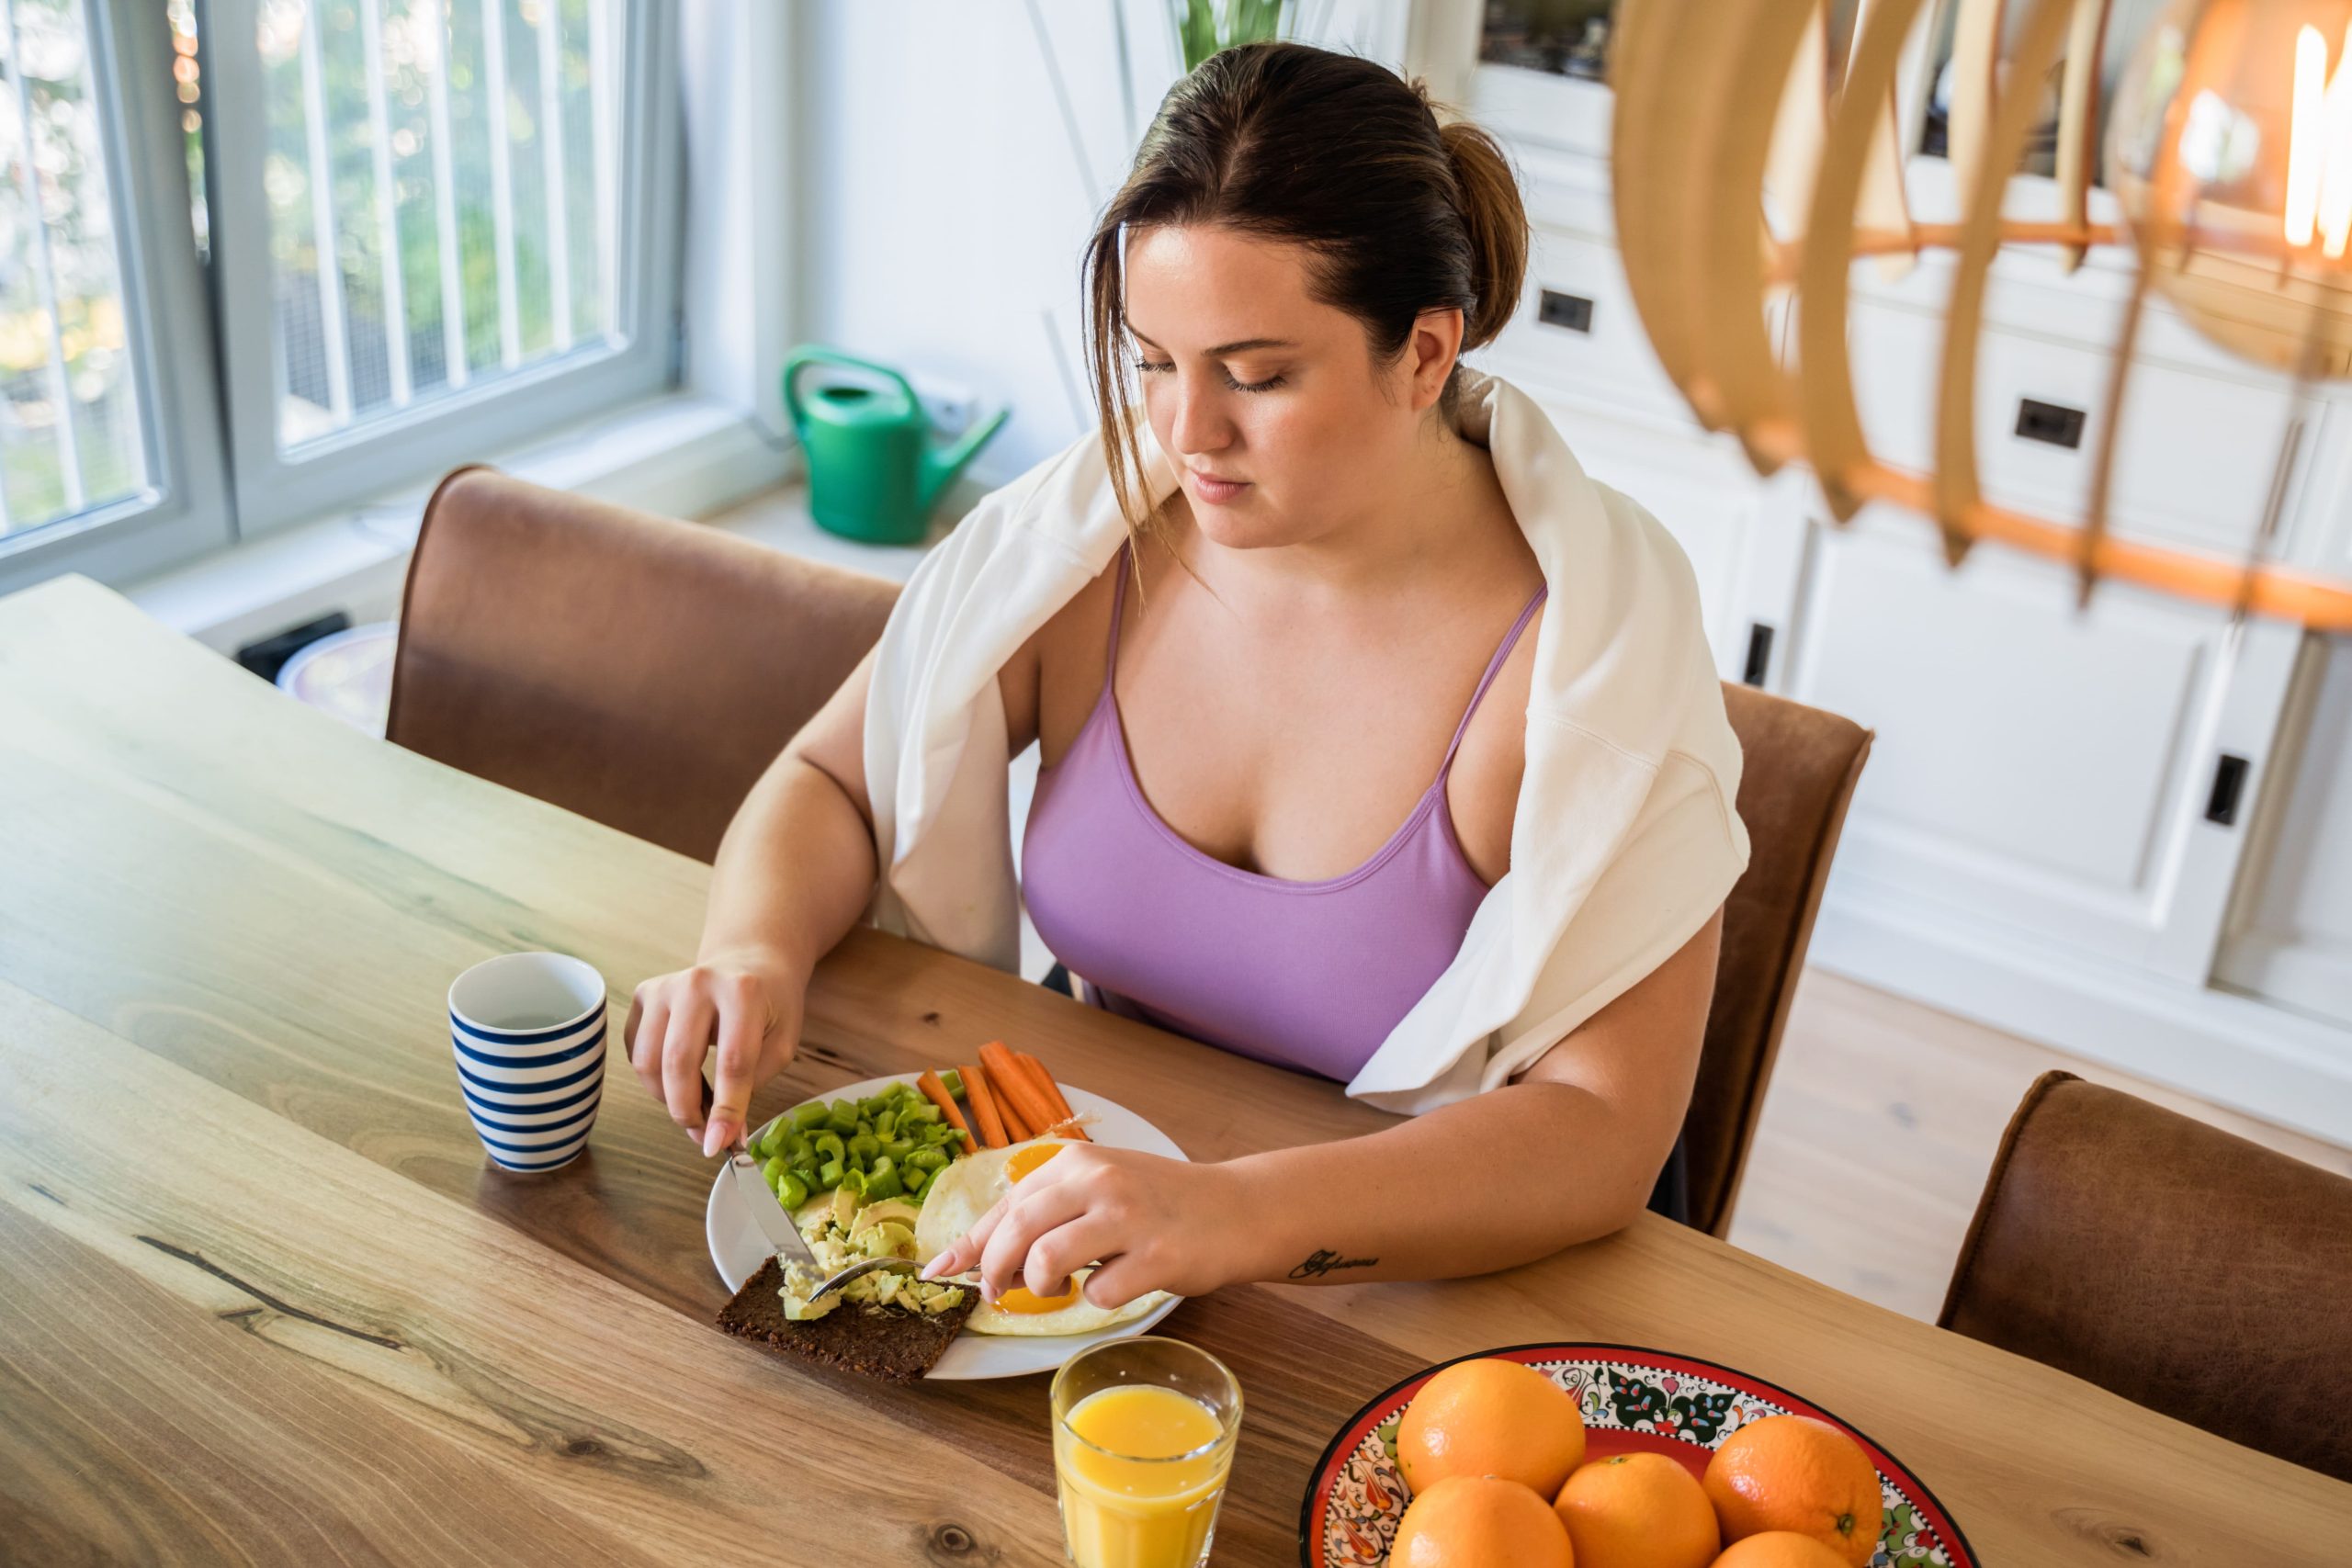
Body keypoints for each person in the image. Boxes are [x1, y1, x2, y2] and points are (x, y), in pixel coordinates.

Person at [624, 42, 1747, 1312]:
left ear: (1426, 354)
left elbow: (1603, 1133)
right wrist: (755, 949)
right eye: (1153, 359)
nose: (1184, 433)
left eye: (1257, 377)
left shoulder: (1581, 660)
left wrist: (1237, 1213)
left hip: (1414, 1282)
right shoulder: (1090, 546)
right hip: (1095, 1219)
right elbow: (836, 774)